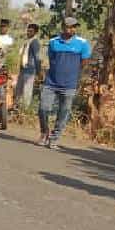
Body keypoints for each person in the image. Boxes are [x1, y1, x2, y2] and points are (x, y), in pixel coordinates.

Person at [39, 16, 93, 149]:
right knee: (43, 108)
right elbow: (51, 59)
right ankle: (45, 132)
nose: (72, 29)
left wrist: (75, 75)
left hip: (69, 84)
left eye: (74, 27)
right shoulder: (53, 42)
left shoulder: (82, 43)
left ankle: (54, 138)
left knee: (64, 112)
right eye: (69, 26)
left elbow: (84, 62)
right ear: (63, 27)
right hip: (51, 82)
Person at [17, 23, 42, 108]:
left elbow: (37, 58)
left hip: (30, 70)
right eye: (28, 31)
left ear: (35, 32)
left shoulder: (35, 42)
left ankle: (25, 109)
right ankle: (18, 108)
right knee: (19, 90)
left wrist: (39, 72)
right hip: (23, 69)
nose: (28, 32)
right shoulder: (27, 41)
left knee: (27, 91)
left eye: (31, 31)